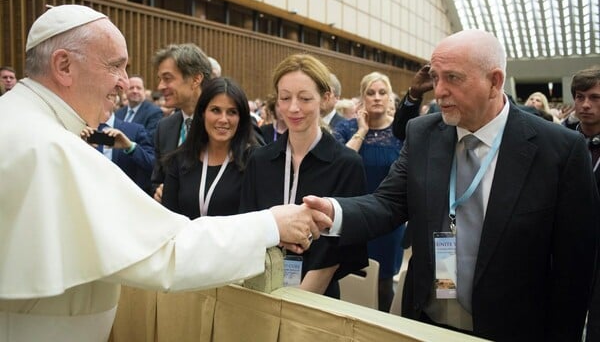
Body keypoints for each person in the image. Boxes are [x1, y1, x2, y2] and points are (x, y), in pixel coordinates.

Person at [0, 4, 331, 341]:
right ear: (64, 65)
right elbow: (167, 251)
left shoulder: (20, 122)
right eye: (115, 66)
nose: (125, 83)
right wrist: (271, 224)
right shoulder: (51, 147)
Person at [304, 29, 598, 341]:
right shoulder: (423, 134)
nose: (439, 91)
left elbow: (575, 267)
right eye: (435, 77)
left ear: (494, 82)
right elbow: (388, 203)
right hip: (427, 321)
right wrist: (333, 212)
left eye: (453, 78)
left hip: (511, 327)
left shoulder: (558, 150)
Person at [240, 54, 368, 298]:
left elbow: (338, 248)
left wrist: (298, 301)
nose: (293, 108)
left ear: (326, 98)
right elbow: (249, 223)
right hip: (261, 288)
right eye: (285, 98)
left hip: (316, 296)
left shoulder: (346, 164)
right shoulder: (260, 160)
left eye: (305, 98)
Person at [333, 71, 405, 312]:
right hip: (354, 216)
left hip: (389, 220)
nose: (377, 98)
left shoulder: (401, 132)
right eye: (371, 93)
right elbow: (340, 164)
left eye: (382, 92)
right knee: (348, 276)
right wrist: (362, 130)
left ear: (390, 98)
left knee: (384, 283)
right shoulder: (347, 128)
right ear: (362, 98)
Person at [162, 77, 258, 218]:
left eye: (232, 112)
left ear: (241, 118)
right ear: (202, 114)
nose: (223, 119)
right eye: (215, 110)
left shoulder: (254, 161)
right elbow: (169, 219)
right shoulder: (178, 160)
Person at [564, 66, 600, 342]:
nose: (585, 104)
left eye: (595, 97)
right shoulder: (559, 140)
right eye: (580, 96)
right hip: (565, 246)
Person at [151, 43, 212, 200]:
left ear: (196, 79)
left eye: (167, 78)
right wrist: (159, 191)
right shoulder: (164, 128)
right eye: (160, 79)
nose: (160, 86)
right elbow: (156, 179)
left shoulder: (225, 124)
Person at [82, 92, 156, 195]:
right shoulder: (80, 130)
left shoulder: (134, 130)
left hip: (127, 199)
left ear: (115, 100)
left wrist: (130, 147)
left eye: (108, 96)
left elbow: (152, 165)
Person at [115, 75, 163, 139]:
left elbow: (149, 140)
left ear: (144, 91)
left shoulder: (154, 112)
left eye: (138, 88)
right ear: (125, 91)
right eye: (131, 88)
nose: (135, 91)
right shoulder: (118, 113)